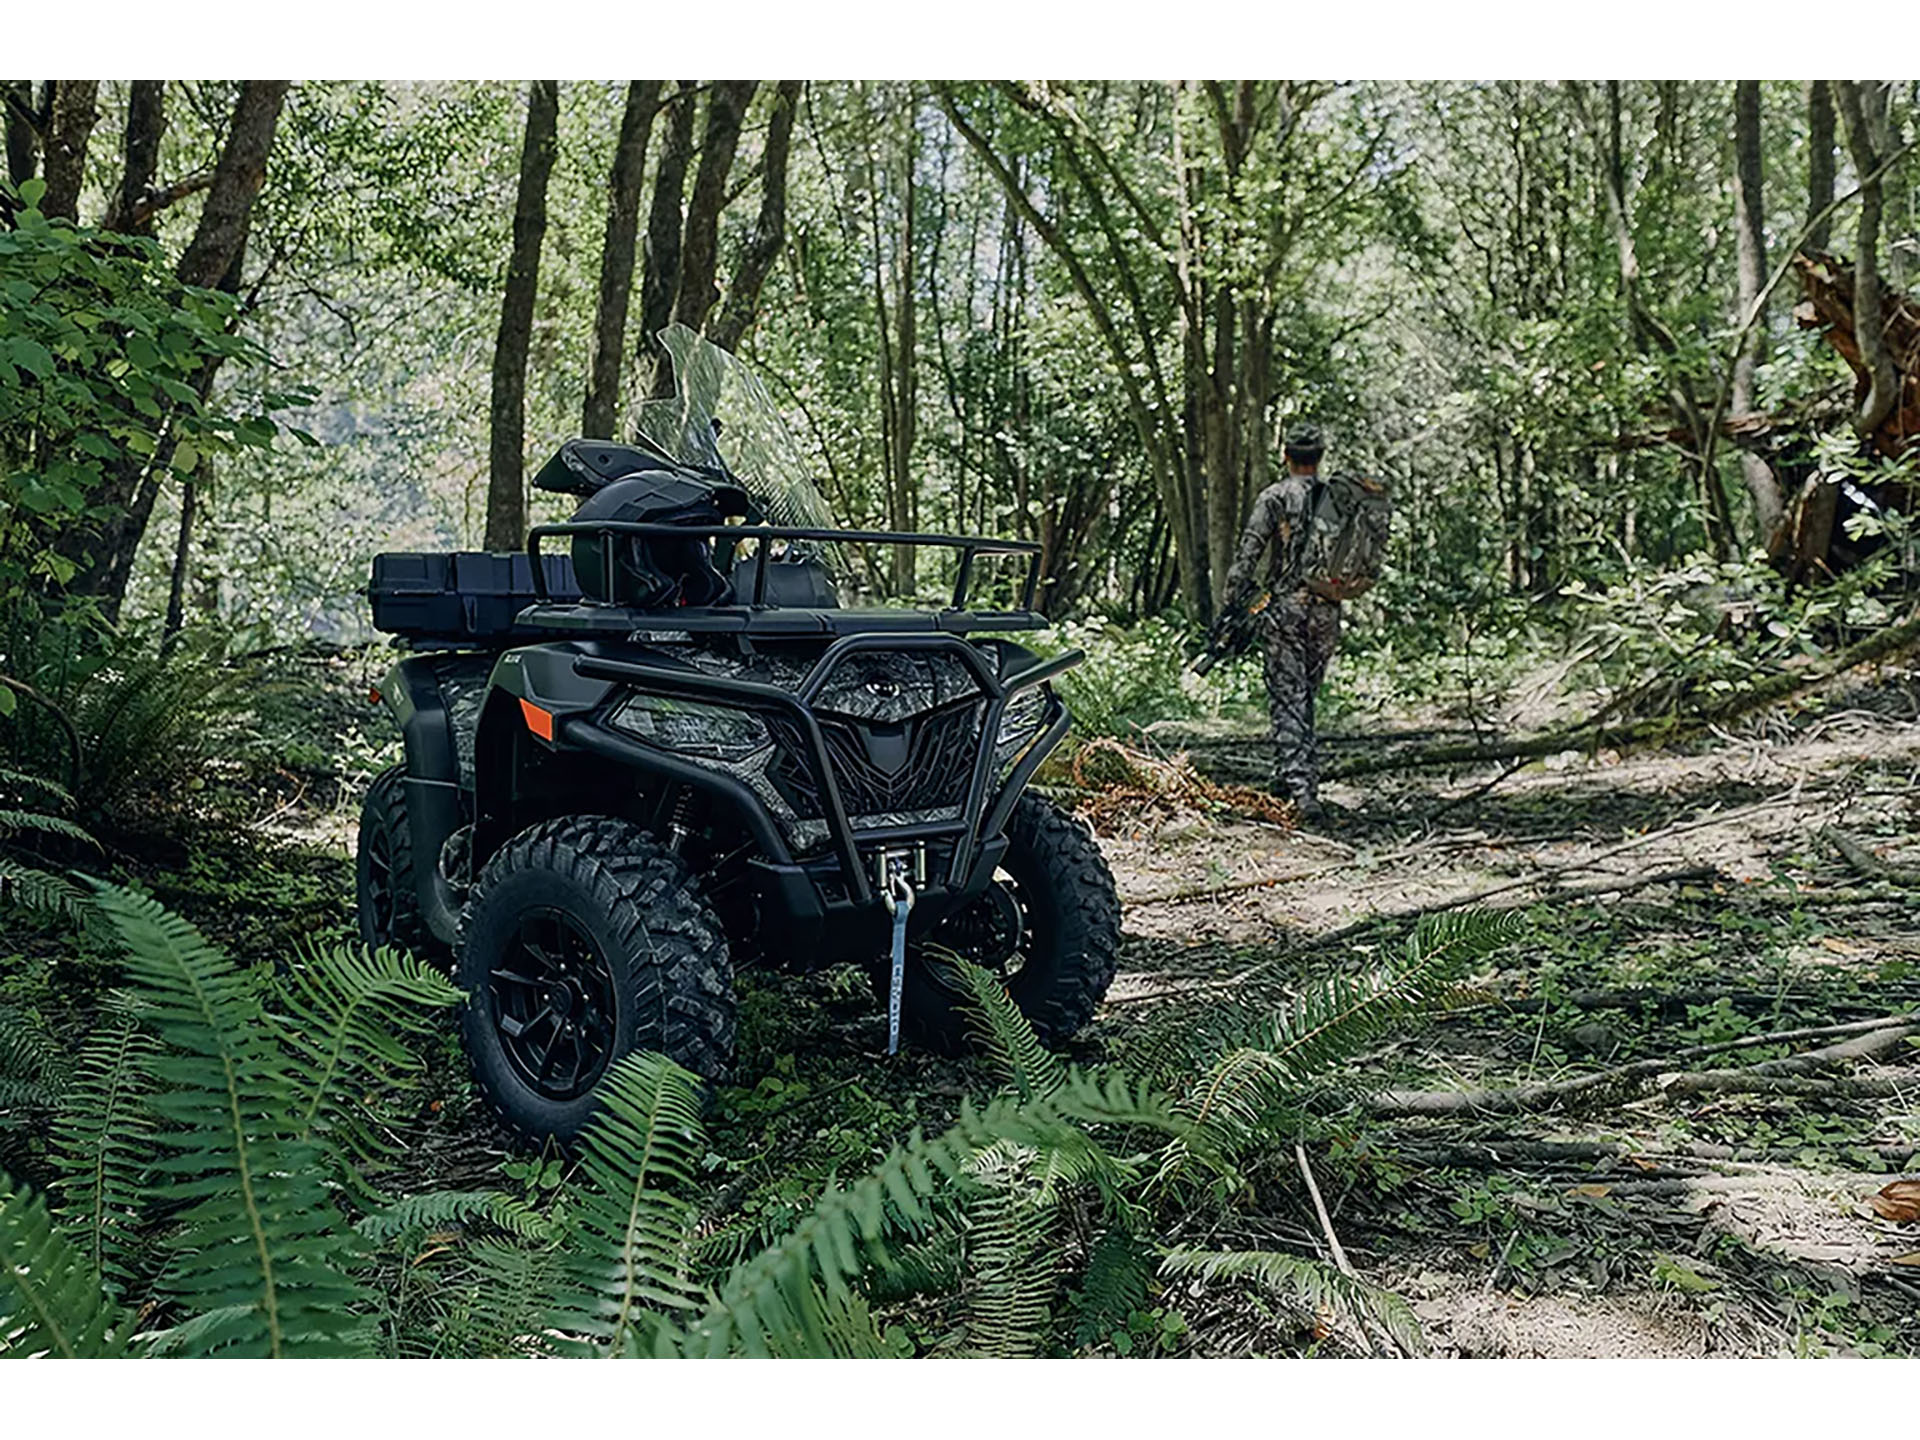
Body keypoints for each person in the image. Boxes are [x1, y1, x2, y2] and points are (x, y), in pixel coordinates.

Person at [1217, 421, 1341, 818]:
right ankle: (1287, 777)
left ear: (1286, 456)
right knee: (1305, 697)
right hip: (1326, 612)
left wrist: (1231, 605)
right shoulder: (1337, 499)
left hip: (1287, 610)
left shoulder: (1275, 496)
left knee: (1290, 700)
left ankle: (1304, 795)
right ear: (1319, 458)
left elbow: (1249, 553)